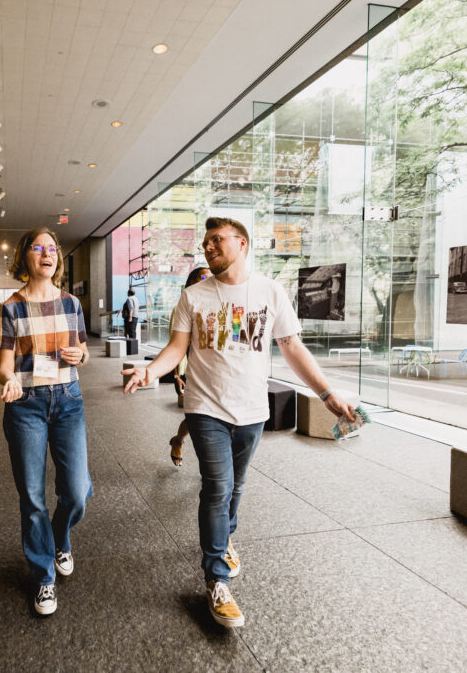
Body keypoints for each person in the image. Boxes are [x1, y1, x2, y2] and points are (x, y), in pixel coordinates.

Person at [123, 217, 356, 629]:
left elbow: (292, 347)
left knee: (237, 486)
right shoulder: (193, 296)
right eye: (206, 242)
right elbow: (176, 348)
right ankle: (217, 578)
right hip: (205, 407)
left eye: (217, 240)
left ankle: (224, 537)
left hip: (251, 410)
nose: (209, 247)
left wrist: (325, 392)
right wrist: (149, 372)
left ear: (242, 243)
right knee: (217, 487)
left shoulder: (270, 291)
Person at [0, 227, 91, 616]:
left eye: (52, 249)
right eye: (39, 248)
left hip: (68, 400)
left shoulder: (71, 304)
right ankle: (43, 577)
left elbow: (82, 352)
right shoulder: (12, 307)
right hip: (27, 406)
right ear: (26, 258)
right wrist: (11, 380)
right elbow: (3, 366)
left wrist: (79, 357)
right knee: (32, 497)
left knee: (78, 491)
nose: (47, 254)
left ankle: (59, 536)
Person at [169, 267, 211, 467]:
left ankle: (213, 464)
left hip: (215, 372)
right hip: (192, 372)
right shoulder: (181, 307)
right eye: (203, 278)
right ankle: (178, 440)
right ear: (191, 282)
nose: (207, 281)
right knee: (196, 418)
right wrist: (176, 375)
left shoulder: (218, 304)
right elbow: (175, 345)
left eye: (211, 278)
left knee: (210, 418)